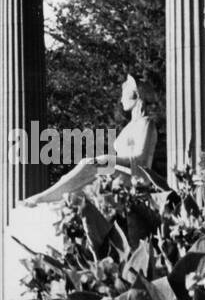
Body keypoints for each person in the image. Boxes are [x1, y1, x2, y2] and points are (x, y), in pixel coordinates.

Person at [22, 74, 158, 205]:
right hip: (119, 174)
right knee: (83, 171)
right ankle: (51, 199)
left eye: (124, 95)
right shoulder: (129, 127)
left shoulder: (146, 123)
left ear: (135, 95)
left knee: (91, 165)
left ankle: (44, 198)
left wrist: (107, 158)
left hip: (136, 180)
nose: (121, 100)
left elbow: (141, 160)